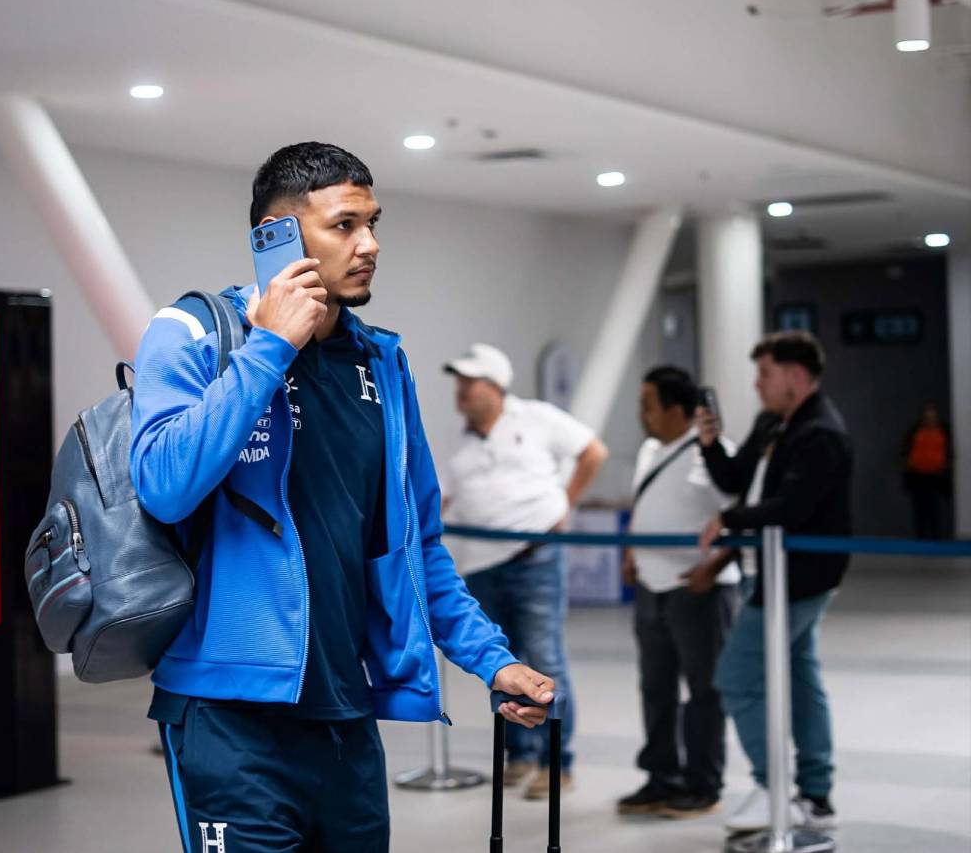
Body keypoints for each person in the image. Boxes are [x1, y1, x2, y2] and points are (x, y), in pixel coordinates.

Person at [129, 142, 554, 853]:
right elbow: (166, 485)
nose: (371, 245)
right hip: (228, 721)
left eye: (374, 223)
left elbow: (416, 545)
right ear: (277, 235)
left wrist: (492, 658)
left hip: (346, 716)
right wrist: (268, 348)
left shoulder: (381, 363)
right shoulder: (194, 334)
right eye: (346, 225)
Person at [693, 331, 853, 834]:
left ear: (794, 375)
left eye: (765, 373)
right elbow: (737, 478)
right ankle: (816, 796)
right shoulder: (774, 422)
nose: (758, 384)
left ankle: (774, 788)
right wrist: (711, 444)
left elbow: (793, 508)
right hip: (768, 572)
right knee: (802, 679)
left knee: (735, 677)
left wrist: (730, 519)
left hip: (800, 578)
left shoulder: (821, 432)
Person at [441, 343, 608, 799]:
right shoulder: (461, 441)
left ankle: (558, 764)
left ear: (495, 387)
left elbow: (593, 452)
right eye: (458, 382)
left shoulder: (537, 418)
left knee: (545, 658)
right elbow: (443, 499)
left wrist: (565, 504)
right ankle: (521, 755)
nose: (460, 392)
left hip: (535, 559)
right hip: (482, 565)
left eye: (469, 383)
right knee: (502, 662)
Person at [616, 366, 741, 819]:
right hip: (652, 587)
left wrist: (716, 567)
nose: (640, 413)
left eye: (647, 403)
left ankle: (703, 784)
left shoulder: (713, 452)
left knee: (704, 691)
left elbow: (739, 515)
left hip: (698, 591)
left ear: (674, 408)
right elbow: (642, 505)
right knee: (656, 687)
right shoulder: (652, 451)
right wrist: (631, 553)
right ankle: (661, 775)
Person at [902, 401, 953, 540]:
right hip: (918, 475)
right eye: (927, 415)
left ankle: (935, 537)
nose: (930, 418)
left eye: (932, 415)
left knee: (934, 509)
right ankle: (921, 537)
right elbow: (907, 449)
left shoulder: (943, 431)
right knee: (920, 509)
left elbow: (948, 452)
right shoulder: (916, 430)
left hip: (935, 476)